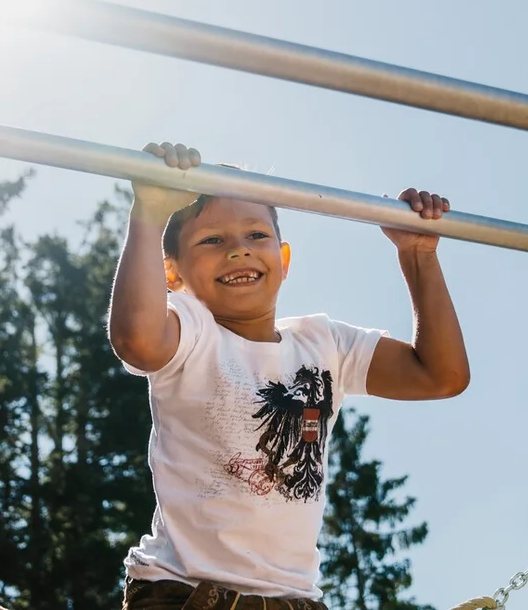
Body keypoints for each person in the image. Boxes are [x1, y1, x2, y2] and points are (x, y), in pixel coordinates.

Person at [108, 142, 471, 610]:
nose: (238, 250)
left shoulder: (324, 344)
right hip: (184, 592)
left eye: (256, 235)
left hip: (294, 600)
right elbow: (136, 339)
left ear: (284, 259)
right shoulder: (191, 330)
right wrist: (151, 212)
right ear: (172, 275)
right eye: (212, 241)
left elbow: (441, 376)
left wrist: (418, 255)